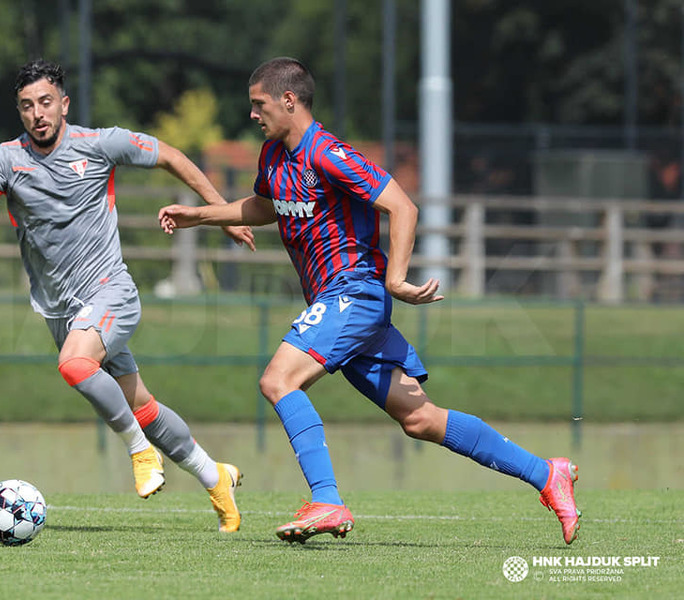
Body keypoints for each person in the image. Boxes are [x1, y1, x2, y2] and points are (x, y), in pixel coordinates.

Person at [158, 57, 581, 544]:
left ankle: (327, 500)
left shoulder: (330, 154)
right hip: (337, 302)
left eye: (259, 104)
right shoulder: (273, 157)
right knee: (420, 418)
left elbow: (401, 205)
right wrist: (200, 215)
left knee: (278, 379)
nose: (253, 114)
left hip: (354, 292)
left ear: (289, 100)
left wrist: (397, 278)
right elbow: (266, 205)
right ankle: (546, 473)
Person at [0, 59, 254, 532]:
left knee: (75, 365)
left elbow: (172, 156)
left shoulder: (98, 144)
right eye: (27, 106)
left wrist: (221, 214)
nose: (38, 113)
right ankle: (214, 476)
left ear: (64, 104)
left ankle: (141, 454)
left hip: (110, 292)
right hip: (60, 311)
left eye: (46, 102)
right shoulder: (7, 161)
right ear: (19, 111)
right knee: (143, 406)